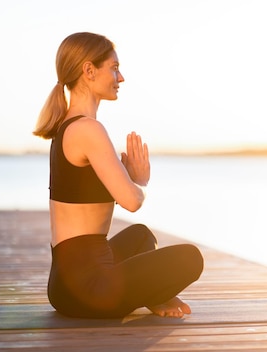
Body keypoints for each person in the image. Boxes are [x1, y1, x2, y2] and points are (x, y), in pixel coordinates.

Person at [33, 32, 204, 319]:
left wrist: (128, 177)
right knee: (191, 258)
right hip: (88, 289)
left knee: (140, 235)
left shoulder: (69, 127)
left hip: (67, 283)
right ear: (89, 71)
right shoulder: (88, 130)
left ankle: (153, 294)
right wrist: (140, 181)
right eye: (113, 68)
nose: (120, 77)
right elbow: (132, 201)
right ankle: (153, 294)